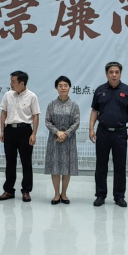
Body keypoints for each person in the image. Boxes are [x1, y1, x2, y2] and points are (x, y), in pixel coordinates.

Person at [89, 62, 128, 207]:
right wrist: (91, 129)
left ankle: (119, 196)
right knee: (101, 165)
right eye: (111, 72)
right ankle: (100, 195)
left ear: (120, 74)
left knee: (120, 166)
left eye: (117, 72)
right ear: (106, 74)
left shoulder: (127, 91)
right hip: (103, 132)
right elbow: (94, 111)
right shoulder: (100, 90)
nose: (114, 75)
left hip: (120, 133)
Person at [0, 70, 40, 202]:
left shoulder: (32, 96)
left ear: (22, 83)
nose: (10, 83)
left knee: (26, 162)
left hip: (25, 131)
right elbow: (3, 113)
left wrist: (34, 133)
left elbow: (36, 115)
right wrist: (2, 131)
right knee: (10, 161)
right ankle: (8, 190)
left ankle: (26, 191)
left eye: (13, 81)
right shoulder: (7, 95)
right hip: (9, 130)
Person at [44, 76, 80, 205]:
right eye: (60, 86)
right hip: (54, 139)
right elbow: (47, 121)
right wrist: (57, 132)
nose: (63, 88)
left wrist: (66, 133)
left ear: (69, 87)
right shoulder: (51, 105)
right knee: (55, 168)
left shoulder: (74, 105)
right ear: (56, 88)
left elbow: (76, 122)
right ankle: (56, 194)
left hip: (68, 140)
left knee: (66, 168)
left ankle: (64, 194)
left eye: (65, 85)